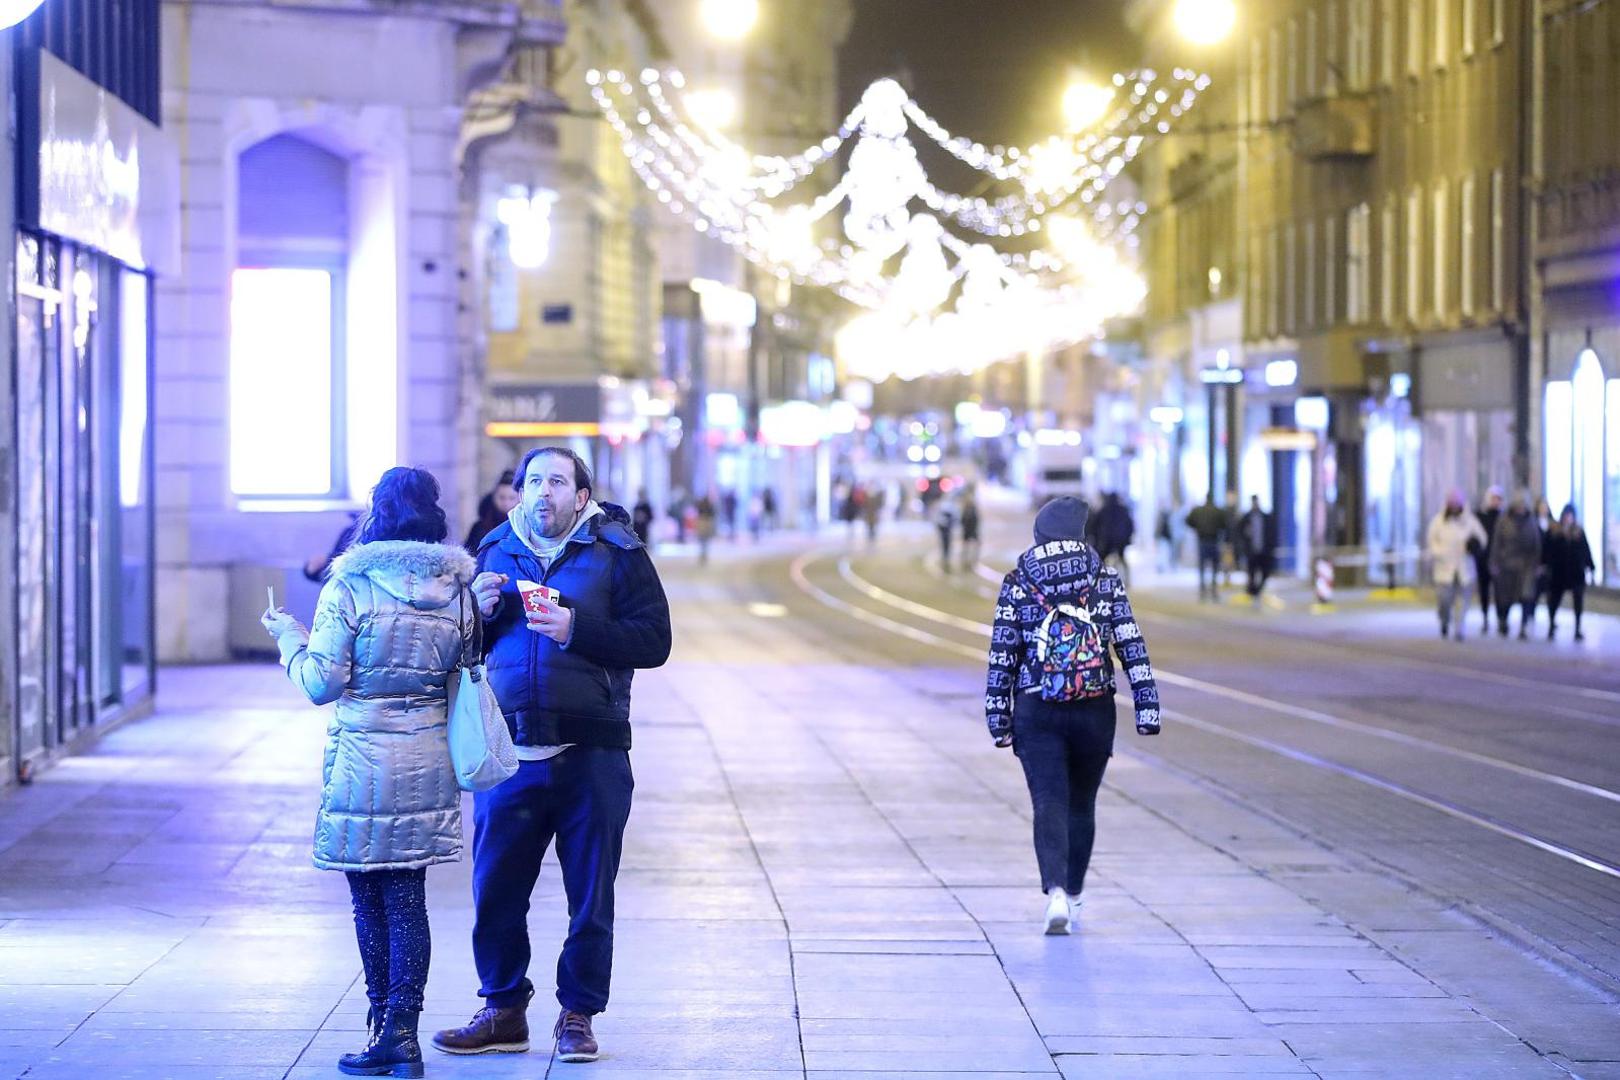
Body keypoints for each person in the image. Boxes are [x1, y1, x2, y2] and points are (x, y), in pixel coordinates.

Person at [433, 447, 672, 1065]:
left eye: (557, 482)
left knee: (590, 896)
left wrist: (576, 629)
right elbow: (460, 646)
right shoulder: (492, 550)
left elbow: (655, 641)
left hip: (591, 751)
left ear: (581, 497)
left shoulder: (618, 551)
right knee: (496, 890)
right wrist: (477, 614)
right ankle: (503, 1010)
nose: (544, 492)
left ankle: (578, 1015)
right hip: (510, 752)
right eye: (533, 482)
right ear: (519, 493)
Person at [261, 467, 474, 1078]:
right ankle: (400, 1030)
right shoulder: (456, 589)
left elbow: (320, 683)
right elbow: (461, 669)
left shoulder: (349, 585)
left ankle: (386, 1028)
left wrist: (289, 639)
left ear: (376, 514)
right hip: (428, 753)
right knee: (408, 898)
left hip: (362, 756)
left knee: (369, 900)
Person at [984, 496, 1161, 935]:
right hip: (1094, 709)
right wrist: (1147, 705)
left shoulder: (1018, 581)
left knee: (1049, 802)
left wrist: (997, 716)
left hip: (1037, 707)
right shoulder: (1105, 579)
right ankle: (1077, 894)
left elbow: (1003, 653)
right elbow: (1130, 643)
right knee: (1082, 805)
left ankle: (1057, 892)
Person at [1426, 490, 1488, 641]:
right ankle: (1444, 620)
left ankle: (1460, 627)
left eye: (1456, 502)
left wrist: (1473, 547)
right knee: (1444, 599)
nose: (1454, 505)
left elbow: (1482, 539)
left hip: (1464, 567)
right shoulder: (1438, 521)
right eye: (1451, 501)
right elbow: (1431, 541)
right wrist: (1439, 553)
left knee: (1462, 601)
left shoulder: (1470, 521)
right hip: (1444, 567)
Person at [1490, 492, 1542, 639]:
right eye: (1518, 506)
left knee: (1526, 595)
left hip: (1527, 565)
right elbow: (1497, 542)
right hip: (1507, 564)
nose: (1521, 509)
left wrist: (1537, 564)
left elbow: (1536, 545)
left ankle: (1524, 625)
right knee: (1506, 596)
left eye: (1523, 506)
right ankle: (1503, 621)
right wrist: (1494, 562)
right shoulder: (1504, 520)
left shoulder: (1531, 521)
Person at [1545, 504, 1596, 641]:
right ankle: (1551, 624)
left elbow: (1585, 550)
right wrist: (1545, 565)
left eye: (1570, 515)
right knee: (1554, 600)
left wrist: (1591, 567)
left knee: (1578, 601)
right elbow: (1547, 550)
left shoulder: (1579, 532)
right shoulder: (1554, 532)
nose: (1568, 518)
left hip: (1576, 572)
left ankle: (1577, 628)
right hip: (1558, 572)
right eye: (1566, 515)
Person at [1473, 486, 1504, 634]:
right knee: (1484, 590)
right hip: (1483, 559)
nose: (1495, 502)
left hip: (1499, 560)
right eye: (1493, 498)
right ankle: (1485, 618)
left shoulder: (1504, 518)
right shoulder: (1479, 516)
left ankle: (1500, 619)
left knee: (1500, 591)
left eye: (1498, 499)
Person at [464, 469, 519, 551]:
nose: (506, 503)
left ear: (519, 499)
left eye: (511, 498)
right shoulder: (480, 527)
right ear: (494, 497)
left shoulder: (525, 528)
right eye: (502, 497)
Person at [1238, 496, 1278, 606]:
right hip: (1251, 551)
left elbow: (1272, 533)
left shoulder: (1266, 518)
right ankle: (1252, 591)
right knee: (1252, 573)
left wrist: (1272, 547)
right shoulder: (1246, 518)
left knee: (1265, 572)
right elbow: (1239, 533)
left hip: (1264, 550)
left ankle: (1257, 590)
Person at [1187, 495, 1226, 602]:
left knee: (1202, 567)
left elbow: (1188, 521)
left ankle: (1203, 590)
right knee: (1215, 567)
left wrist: (1197, 528)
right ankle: (1213, 590)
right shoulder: (1218, 511)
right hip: (1214, 540)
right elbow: (1224, 524)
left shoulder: (1198, 511)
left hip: (1203, 540)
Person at [303, 512, 362, 582]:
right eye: (315, 564)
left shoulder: (335, 556)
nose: (315, 559)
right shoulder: (338, 563)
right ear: (320, 572)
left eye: (312, 561)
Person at [1090, 492, 1135, 584]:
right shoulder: (1123, 510)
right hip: (1121, 540)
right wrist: (1127, 537)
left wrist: (1096, 538)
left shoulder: (1104, 510)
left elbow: (1094, 526)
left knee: (1101, 560)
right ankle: (1127, 580)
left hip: (1106, 540)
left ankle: (1100, 579)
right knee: (1122, 559)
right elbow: (1130, 525)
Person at [959, 485, 982, 571]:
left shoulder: (971, 508)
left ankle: (971, 560)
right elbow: (963, 520)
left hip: (971, 529)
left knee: (972, 545)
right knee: (968, 545)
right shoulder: (968, 509)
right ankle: (967, 560)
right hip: (969, 529)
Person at [693, 492, 717, 565]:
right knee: (705, 541)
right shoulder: (708, 505)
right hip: (705, 522)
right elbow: (713, 514)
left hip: (703, 522)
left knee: (703, 540)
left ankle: (703, 554)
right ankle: (703, 554)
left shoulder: (701, 505)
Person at [935, 495, 957, 572]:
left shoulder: (948, 507)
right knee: (945, 543)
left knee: (947, 544)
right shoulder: (945, 507)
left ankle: (946, 556)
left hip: (947, 530)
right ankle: (945, 556)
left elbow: (954, 519)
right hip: (944, 530)